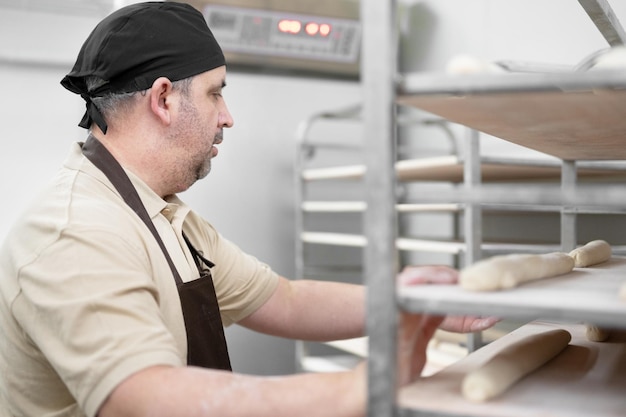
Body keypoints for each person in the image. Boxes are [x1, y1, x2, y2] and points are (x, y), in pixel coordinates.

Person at [0, 2, 497, 416]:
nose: (227, 117)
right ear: (164, 100)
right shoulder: (75, 232)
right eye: (216, 93)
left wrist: (402, 301)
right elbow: (143, 398)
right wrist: (355, 389)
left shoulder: (170, 219)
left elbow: (286, 300)